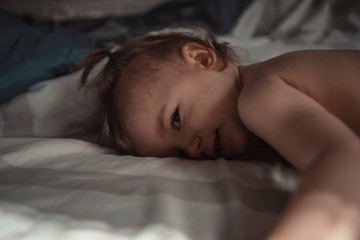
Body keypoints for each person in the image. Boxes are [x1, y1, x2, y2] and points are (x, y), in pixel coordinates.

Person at [76, 28, 360, 240]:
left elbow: (343, 160)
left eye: (176, 120)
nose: (193, 148)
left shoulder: (257, 96)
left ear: (201, 58)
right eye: (180, 153)